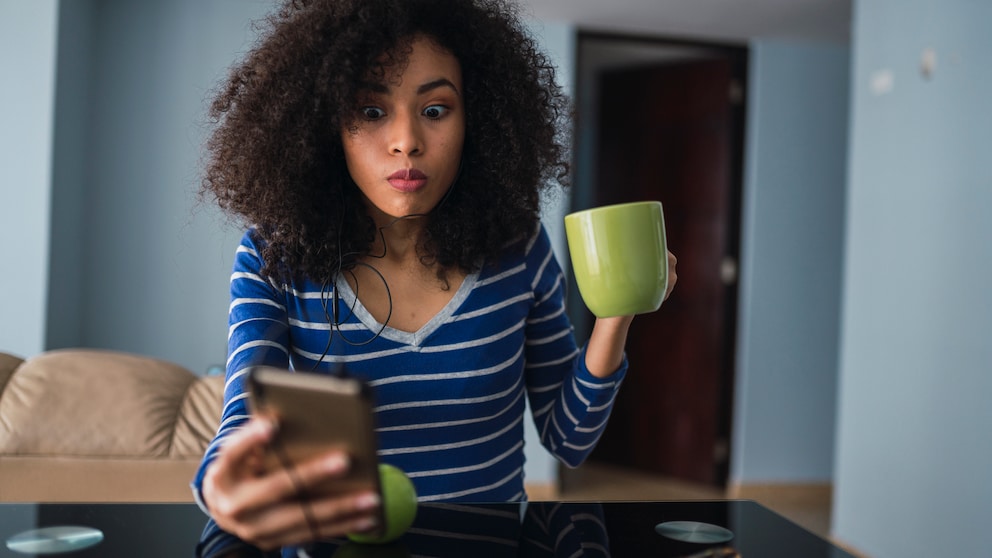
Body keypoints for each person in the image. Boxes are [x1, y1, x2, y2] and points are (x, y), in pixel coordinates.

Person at [192, 0, 678, 555]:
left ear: (478, 119)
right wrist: (221, 482)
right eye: (372, 111)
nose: (406, 141)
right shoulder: (274, 256)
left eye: (436, 109)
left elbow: (568, 439)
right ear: (326, 125)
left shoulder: (517, 249)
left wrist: (617, 312)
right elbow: (242, 419)